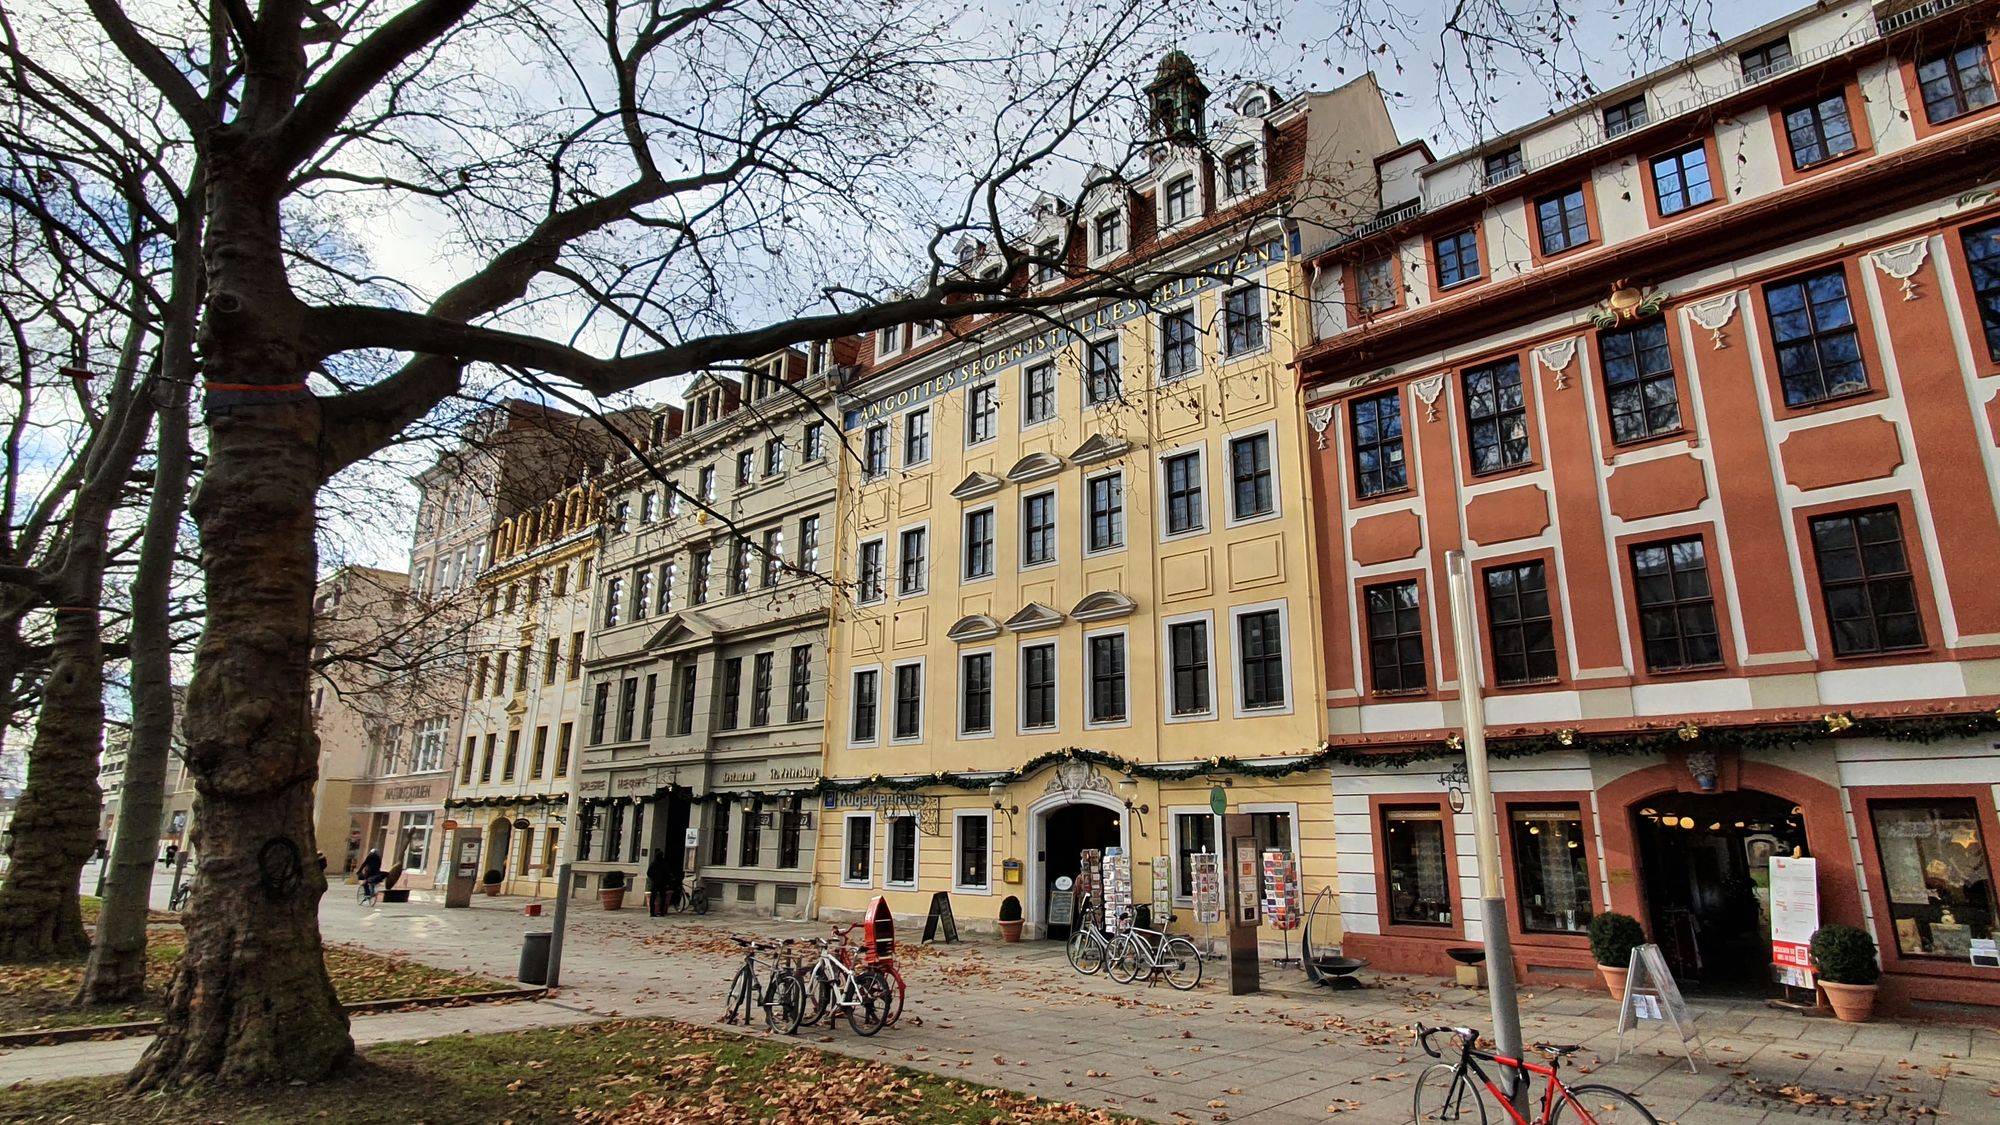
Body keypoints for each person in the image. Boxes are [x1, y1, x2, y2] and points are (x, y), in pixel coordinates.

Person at [646, 848, 670, 917]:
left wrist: (653, 878)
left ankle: (652, 912)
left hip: (655, 882)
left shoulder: (653, 864)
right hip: (662, 883)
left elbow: (648, 873)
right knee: (663, 897)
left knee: (653, 898)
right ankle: (662, 912)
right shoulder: (664, 864)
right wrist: (667, 881)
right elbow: (667, 874)